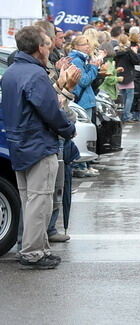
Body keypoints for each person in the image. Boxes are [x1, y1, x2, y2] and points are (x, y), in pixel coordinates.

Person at [1, 26, 76, 269]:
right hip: (37, 143)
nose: (49, 47)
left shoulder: (11, 72)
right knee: (39, 200)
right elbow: (50, 111)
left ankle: (38, 248)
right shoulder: (34, 74)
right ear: (38, 48)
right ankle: (34, 252)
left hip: (19, 143)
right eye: (46, 44)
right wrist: (67, 129)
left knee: (29, 199)